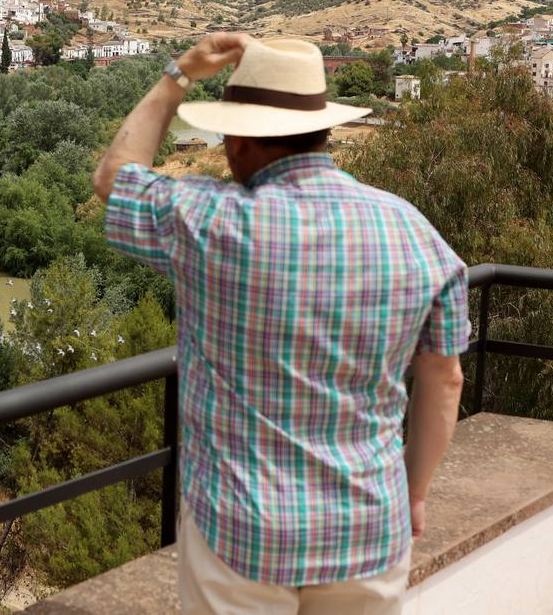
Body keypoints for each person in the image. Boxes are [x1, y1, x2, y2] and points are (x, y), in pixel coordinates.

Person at [93, 33, 469, 615]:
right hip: (368, 528)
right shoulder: (415, 233)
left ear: (240, 139)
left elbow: (115, 176)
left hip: (240, 532)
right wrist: (414, 495)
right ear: (321, 129)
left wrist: (180, 73)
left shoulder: (207, 220)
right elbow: (444, 379)